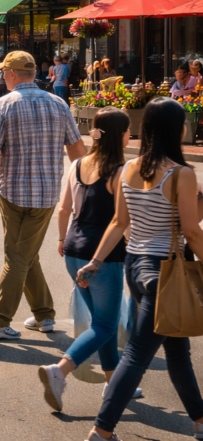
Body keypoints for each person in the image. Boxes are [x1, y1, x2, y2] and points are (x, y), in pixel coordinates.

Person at [78, 99, 203, 441]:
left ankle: (200, 420)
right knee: (135, 355)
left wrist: (96, 260)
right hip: (166, 273)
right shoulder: (182, 175)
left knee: (177, 350)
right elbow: (192, 233)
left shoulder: (127, 170)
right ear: (178, 131)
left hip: (135, 266)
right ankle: (102, 431)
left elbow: (120, 222)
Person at [0, 51, 87, 339]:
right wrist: (84, 186)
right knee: (25, 253)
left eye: (4, 72)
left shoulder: (3, 105)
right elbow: (77, 150)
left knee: (17, 254)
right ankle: (44, 314)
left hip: (12, 191)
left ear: (13, 74)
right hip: (47, 193)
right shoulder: (58, 104)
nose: (2, 76)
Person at [37, 108, 138, 413]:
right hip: (102, 256)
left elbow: (65, 208)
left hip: (73, 249)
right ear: (121, 134)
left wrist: (60, 239)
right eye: (128, 129)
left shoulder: (79, 163)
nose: (130, 134)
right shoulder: (122, 170)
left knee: (101, 323)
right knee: (106, 324)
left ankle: (114, 381)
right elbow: (124, 220)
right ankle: (60, 371)